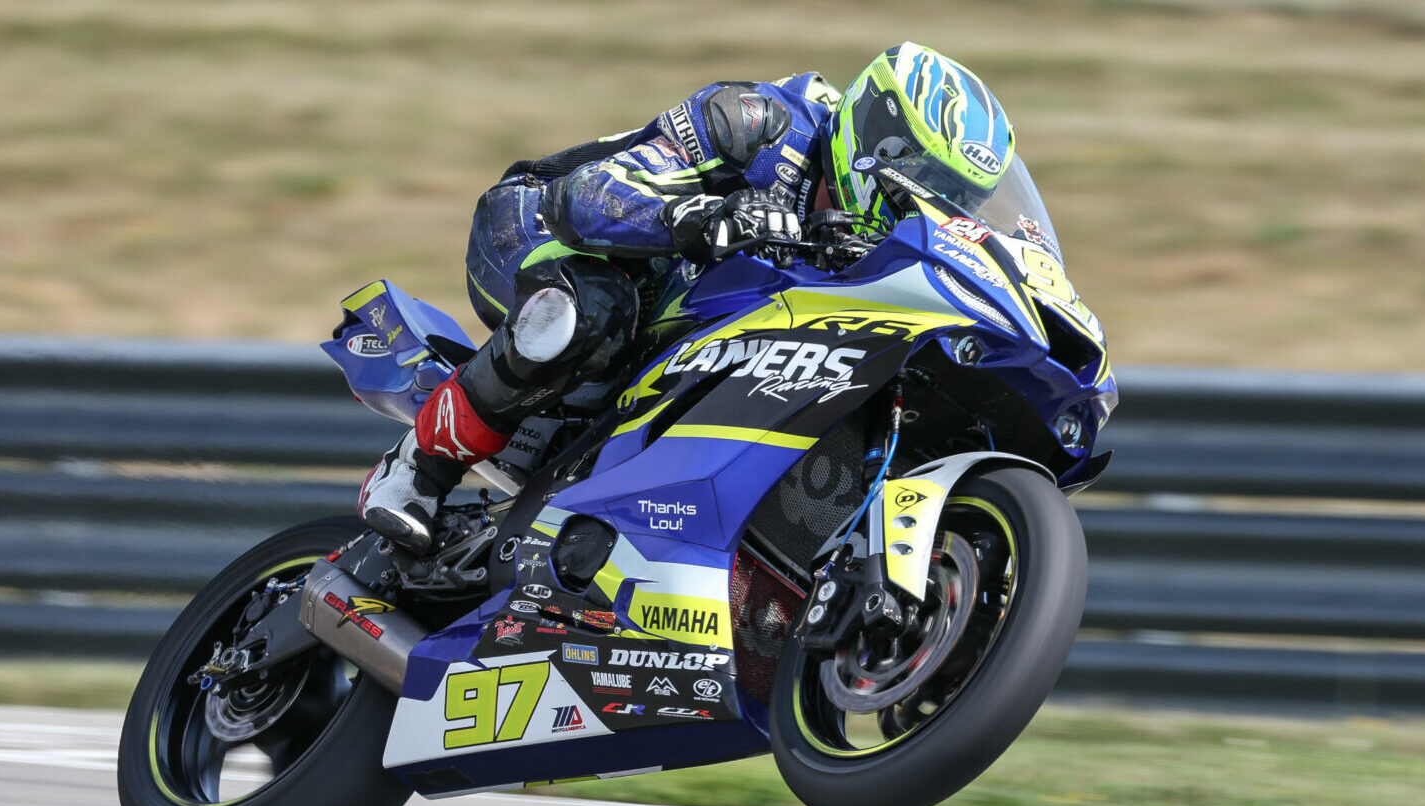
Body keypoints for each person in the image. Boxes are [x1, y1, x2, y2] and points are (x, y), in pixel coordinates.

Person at [357, 42, 1015, 554]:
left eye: (959, 200)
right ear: (881, 141)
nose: (934, 208)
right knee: (596, 312)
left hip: (676, 339)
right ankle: (416, 469)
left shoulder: (879, 252)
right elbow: (583, 198)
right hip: (534, 230)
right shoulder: (759, 120)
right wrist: (707, 219)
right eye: (928, 184)